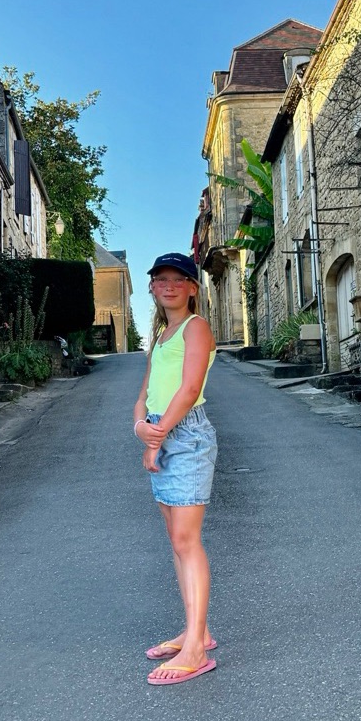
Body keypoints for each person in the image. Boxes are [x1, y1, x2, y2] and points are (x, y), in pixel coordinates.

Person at [133, 252, 218, 686]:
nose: (167, 285)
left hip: (186, 437)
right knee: (176, 539)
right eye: (159, 279)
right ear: (151, 288)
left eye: (177, 279)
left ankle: (197, 651)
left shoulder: (195, 327)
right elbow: (148, 389)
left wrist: (159, 434)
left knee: (187, 539)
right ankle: (195, 629)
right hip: (163, 434)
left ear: (191, 288)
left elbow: (188, 389)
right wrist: (141, 427)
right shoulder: (163, 335)